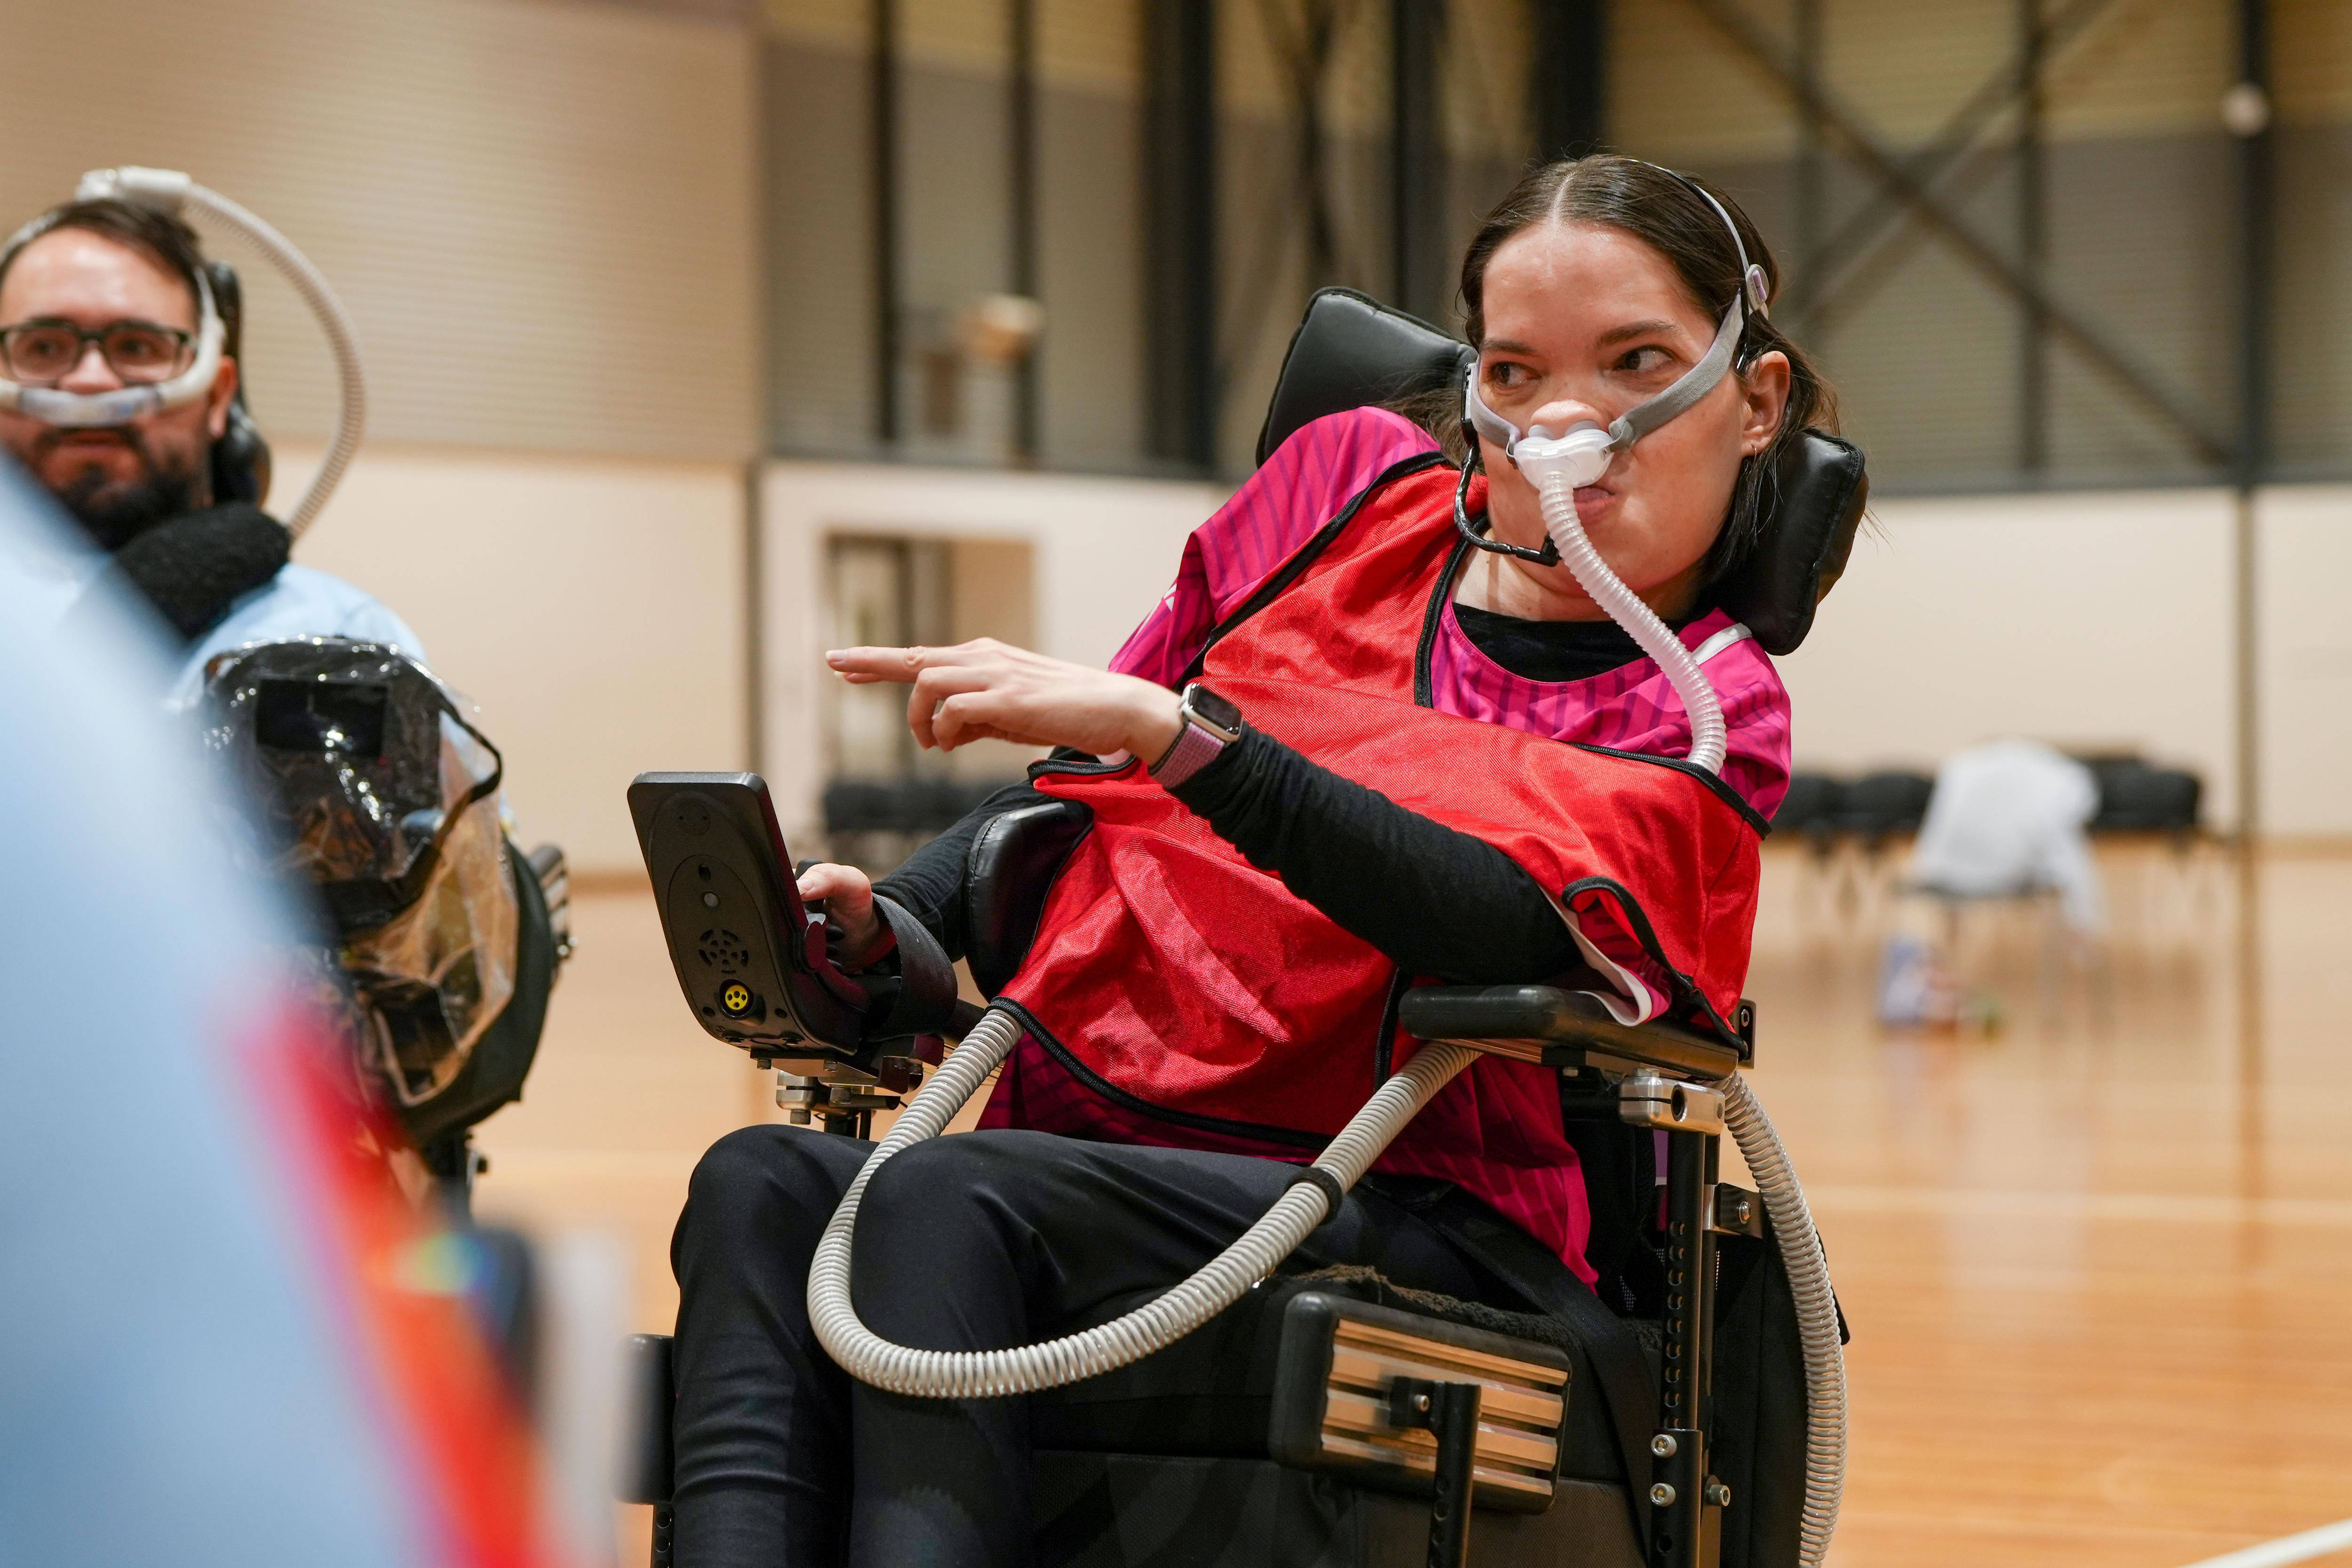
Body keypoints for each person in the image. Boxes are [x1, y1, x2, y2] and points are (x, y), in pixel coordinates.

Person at [669, 155, 1838, 1566]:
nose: (1565, 426)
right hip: (1095, 1150)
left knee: (937, 1196)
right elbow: (1088, 799)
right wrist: (885, 923)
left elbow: (1494, 914)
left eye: (1635, 361)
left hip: (1420, 1200)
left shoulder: (1704, 709)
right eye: (1516, 374)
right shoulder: (1343, 496)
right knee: (762, 1183)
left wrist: (1191, 739)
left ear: (1753, 397)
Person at [0, 195, 420, 704]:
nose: (91, 382)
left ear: (218, 395)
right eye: (43, 347)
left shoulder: (335, 635)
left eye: (137, 346)